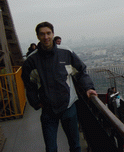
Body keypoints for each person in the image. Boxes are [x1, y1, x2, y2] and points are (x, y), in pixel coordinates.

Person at [21, 21, 97, 152]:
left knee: (75, 145)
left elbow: (80, 71)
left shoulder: (66, 53)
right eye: (42, 34)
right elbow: (29, 83)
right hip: (48, 109)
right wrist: (36, 102)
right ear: (38, 36)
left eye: (48, 33)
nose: (46, 37)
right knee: (51, 148)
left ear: (53, 34)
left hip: (68, 106)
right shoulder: (32, 60)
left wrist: (88, 88)